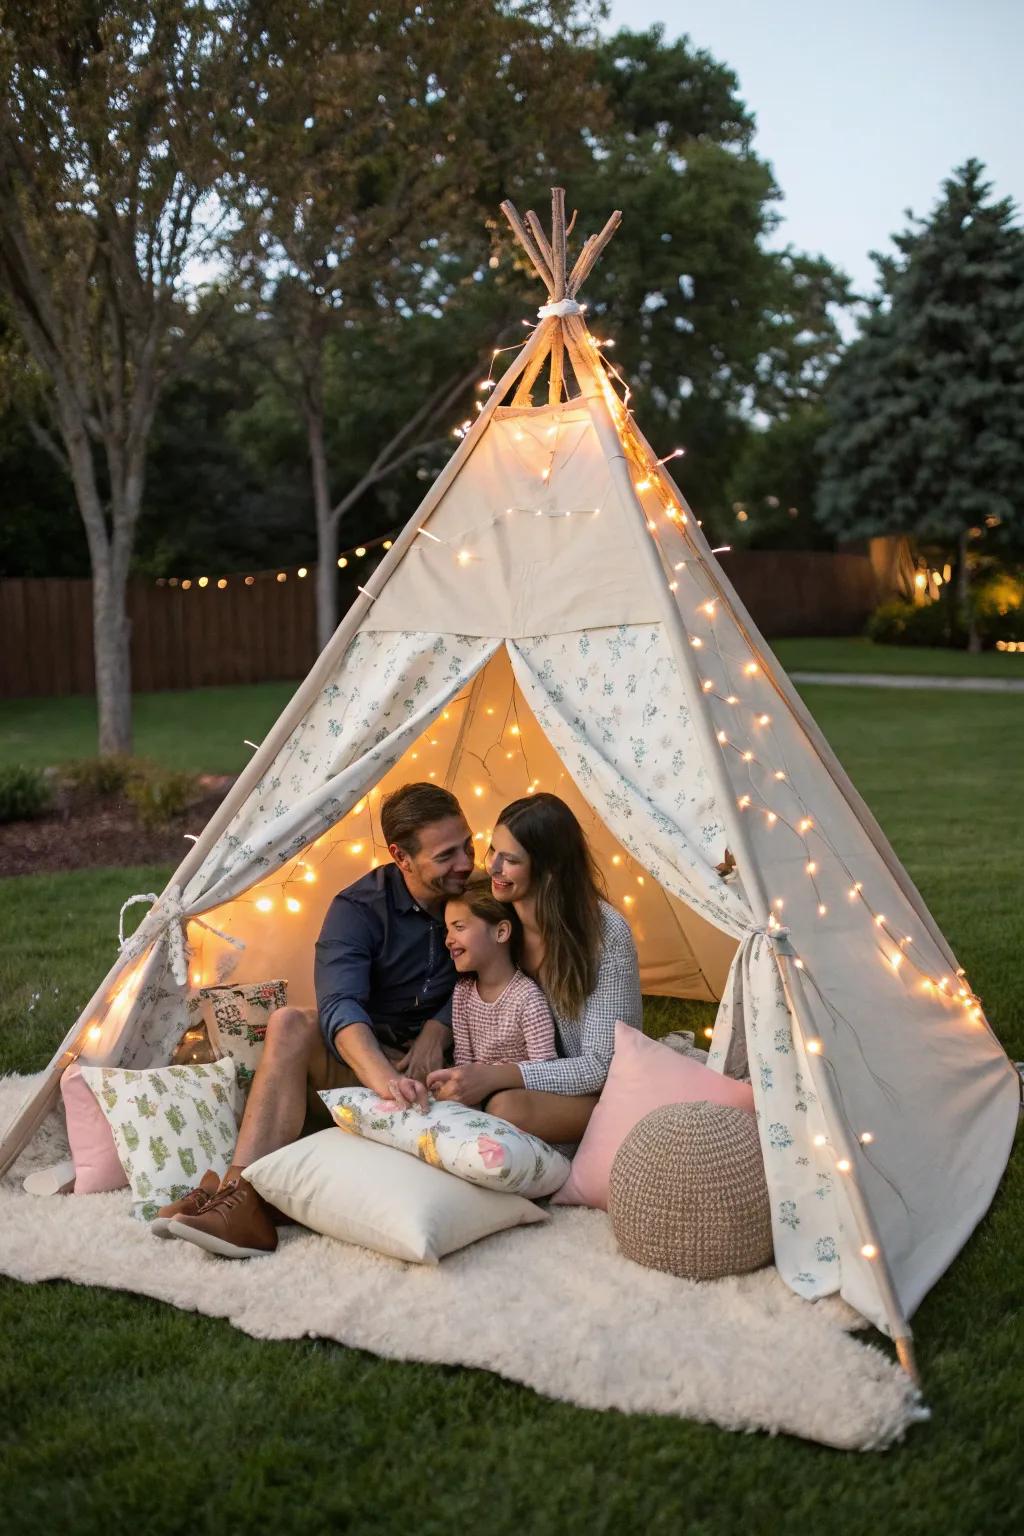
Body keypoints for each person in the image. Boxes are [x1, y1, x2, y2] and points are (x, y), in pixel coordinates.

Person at [156, 782, 475, 1258]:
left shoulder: (480, 895)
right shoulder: (359, 909)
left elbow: (504, 970)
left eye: (468, 845)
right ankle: (239, 1194)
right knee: (291, 1023)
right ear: (401, 857)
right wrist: (386, 1080)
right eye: (446, 855)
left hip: (452, 1067)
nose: (466, 863)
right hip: (375, 1064)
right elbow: (340, 1006)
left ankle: (229, 1197)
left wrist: (438, 1028)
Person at [427, 793, 642, 1144]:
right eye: (493, 851)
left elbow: (602, 1067)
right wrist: (433, 1032)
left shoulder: (605, 934)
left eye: (510, 859)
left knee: (505, 1109)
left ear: (549, 869)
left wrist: (495, 1076)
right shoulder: (500, 915)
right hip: (523, 1082)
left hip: (601, 1093)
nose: (493, 867)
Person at [444, 871, 557, 1070]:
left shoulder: (528, 999)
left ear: (501, 932)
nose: (448, 940)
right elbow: (463, 1061)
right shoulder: (463, 993)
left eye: (459, 927)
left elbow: (545, 1071)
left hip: (518, 1089)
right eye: (447, 930)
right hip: (474, 1088)